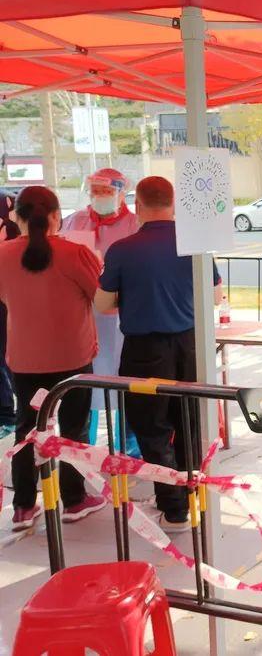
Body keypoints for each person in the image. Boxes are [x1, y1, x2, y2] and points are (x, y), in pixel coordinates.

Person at [95, 176, 222, 532]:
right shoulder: (196, 246)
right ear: (174, 202)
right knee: (189, 421)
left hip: (144, 349)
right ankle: (191, 494)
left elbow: (102, 304)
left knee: (152, 428)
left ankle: (173, 507)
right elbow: (216, 296)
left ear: (137, 206)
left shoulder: (123, 249)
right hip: (191, 345)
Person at [0, 186, 108, 530]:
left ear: (16, 216)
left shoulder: (2, 255)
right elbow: (101, 299)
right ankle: (74, 500)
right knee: (73, 429)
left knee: (26, 428)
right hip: (72, 357)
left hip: (25, 358)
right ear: (55, 216)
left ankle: (22, 506)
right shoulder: (75, 253)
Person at [62, 168, 141, 453]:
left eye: (106, 192)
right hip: (85, 314)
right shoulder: (76, 220)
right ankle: (87, 445)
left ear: (121, 193)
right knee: (89, 379)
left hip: (121, 315)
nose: (100, 196)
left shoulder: (134, 224)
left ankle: (126, 445)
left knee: (125, 376)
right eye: (95, 191)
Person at [0, 192, 19, 439]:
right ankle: (6, 415)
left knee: (9, 361)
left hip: (9, 305)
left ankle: (17, 414)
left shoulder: (11, 228)